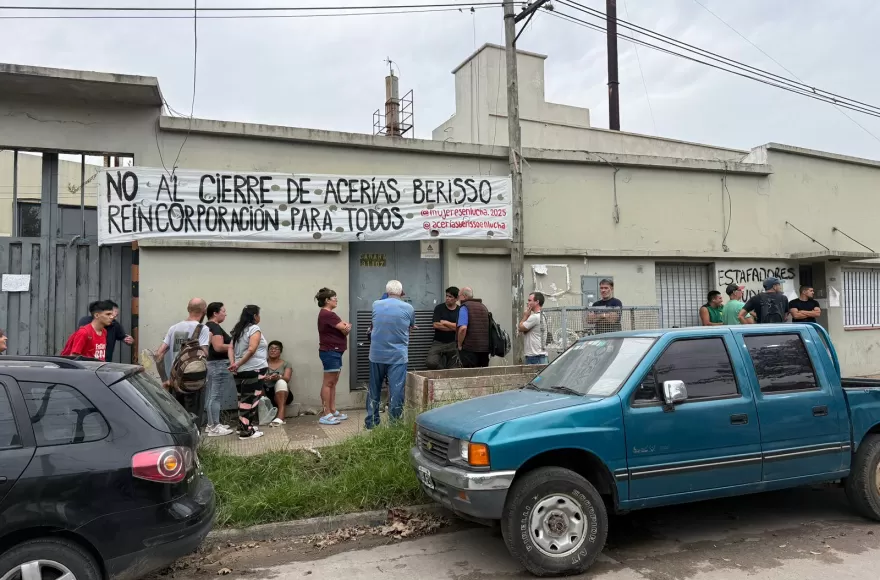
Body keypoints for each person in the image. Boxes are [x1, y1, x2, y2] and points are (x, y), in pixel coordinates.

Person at [153, 298, 212, 425]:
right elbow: (205, 354)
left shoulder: (174, 328)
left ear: (188, 309)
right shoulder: (203, 329)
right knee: (194, 420)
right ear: (204, 310)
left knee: (178, 419)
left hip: (175, 381)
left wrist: (164, 379)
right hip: (194, 381)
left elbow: (158, 355)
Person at [366, 280, 415, 429]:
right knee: (396, 390)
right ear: (401, 292)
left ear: (387, 292)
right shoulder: (408, 308)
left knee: (374, 389)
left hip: (376, 354)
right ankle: (395, 426)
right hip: (397, 356)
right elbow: (410, 327)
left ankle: (371, 424)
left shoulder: (376, 304)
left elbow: (376, 323)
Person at [228, 305, 268, 440]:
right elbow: (252, 349)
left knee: (242, 399)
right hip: (254, 369)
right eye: (258, 314)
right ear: (255, 316)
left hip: (239, 371)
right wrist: (238, 364)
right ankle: (246, 432)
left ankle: (243, 426)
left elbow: (230, 348)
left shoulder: (238, 330)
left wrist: (234, 363)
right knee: (250, 400)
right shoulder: (254, 329)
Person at [316, 287, 351, 426]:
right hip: (330, 351)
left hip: (335, 351)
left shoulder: (330, 315)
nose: (336, 300)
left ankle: (332, 410)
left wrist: (345, 328)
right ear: (327, 300)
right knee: (328, 382)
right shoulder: (328, 314)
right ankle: (326, 413)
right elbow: (345, 327)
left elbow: (345, 330)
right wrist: (345, 327)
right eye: (334, 298)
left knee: (333, 383)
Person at [204, 302, 234, 437]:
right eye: (223, 311)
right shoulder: (214, 327)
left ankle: (211, 424)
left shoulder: (208, 326)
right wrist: (235, 346)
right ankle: (215, 427)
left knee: (212, 395)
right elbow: (218, 347)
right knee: (215, 396)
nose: (225, 314)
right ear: (215, 313)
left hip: (213, 364)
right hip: (219, 364)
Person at [426, 286, 460, 370]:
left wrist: (445, 323)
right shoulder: (439, 308)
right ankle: (442, 371)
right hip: (438, 342)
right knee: (431, 362)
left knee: (454, 368)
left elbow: (461, 327)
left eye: (450, 296)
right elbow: (436, 325)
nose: (447, 298)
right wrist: (454, 327)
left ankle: (448, 374)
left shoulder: (460, 310)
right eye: (447, 296)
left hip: (453, 343)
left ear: (456, 299)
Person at [457, 286, 490, 369]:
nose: (458, 299)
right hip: (484, 350)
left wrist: (459, 344)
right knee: (483, 374)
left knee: (469, 375)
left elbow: (463, 328)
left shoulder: (464, 307)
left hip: (469, 350)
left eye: (459, 296)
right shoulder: (483, 307)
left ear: (464, 296)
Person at [264, 340, 293, 426]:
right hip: (266, 392)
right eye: (271, 348)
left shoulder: (286, 364)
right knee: (257, 383)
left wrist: (278, 377)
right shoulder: (263, 363)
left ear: (280, 352)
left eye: (276, 349)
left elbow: (287, 378)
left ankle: (281, 416)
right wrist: (264, 378)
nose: (273, 350)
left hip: (282, 393)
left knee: (281, 382)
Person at [519, 292, 549, 365]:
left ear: (537, 302)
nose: (527, 303)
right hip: (539, 355)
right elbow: (526, 331)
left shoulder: (535, 317)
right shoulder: (542, 315)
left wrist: (525, 316)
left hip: (535, 356)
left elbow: (520, 328)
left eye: (530, 300)